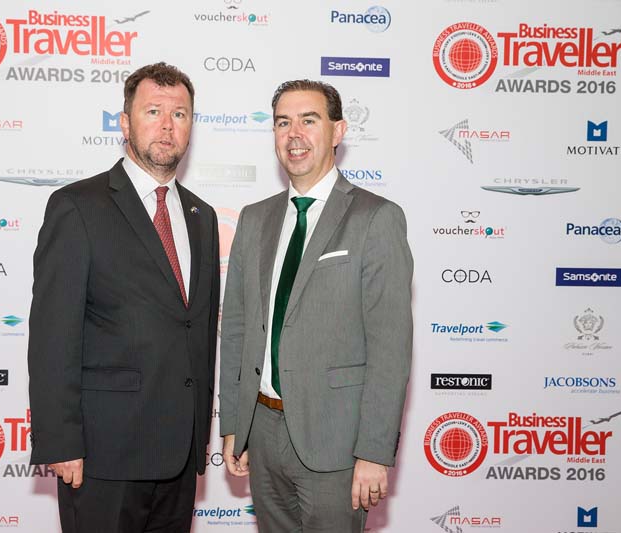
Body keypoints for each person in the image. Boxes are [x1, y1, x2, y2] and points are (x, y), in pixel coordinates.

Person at [28, 62, 220, 533]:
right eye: (153, 111)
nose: (167, 125)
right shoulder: (78, 206)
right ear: (124, 123)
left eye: (179, 114)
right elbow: (53, 335)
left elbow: (195, 329)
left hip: (180, 454)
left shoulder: (202, 216)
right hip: (103, 455)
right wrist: (61, 442)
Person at [218, 79, 413, 532]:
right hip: (262, 431)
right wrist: (233, 424)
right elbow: (238, 331)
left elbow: (390, 348)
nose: (294, 134)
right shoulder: (254, 218)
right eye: (282, 123)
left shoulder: (375, 217)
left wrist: (373, 452)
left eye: (309, 120)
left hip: (337, 441)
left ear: (338, 130)